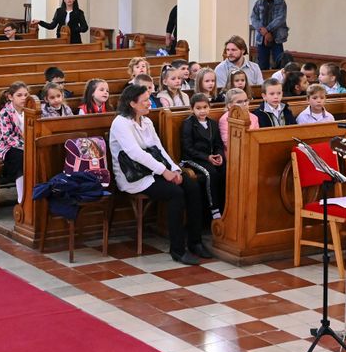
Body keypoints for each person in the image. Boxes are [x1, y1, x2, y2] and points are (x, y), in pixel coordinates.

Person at [109, 84, 209, 265]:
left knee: (192, 185)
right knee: (175, 194)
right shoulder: (120, 123)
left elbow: (159, 149)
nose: (150, 103)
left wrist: (175, 170)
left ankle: (196, 242)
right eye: (145, 100)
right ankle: (178, 250)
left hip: (153, 170)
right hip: (134, 176)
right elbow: (135, 153)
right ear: (132, 103)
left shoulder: (146, 121)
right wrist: (164, 172)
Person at [181, 94, 226, 220]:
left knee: (224, 170)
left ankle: (225, 205)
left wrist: (219, 155)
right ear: (192, 109)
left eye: (205, 107)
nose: (202, 111)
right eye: (198, 108)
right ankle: (214, 208)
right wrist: (207, 158)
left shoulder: (212, 123)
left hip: (210, 157)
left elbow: (218, 144)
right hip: (192, 159)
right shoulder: (188, 124)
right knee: (209, 173)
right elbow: (188, 148)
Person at [0, 82, 30, 200]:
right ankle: (22, 198)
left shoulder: (30, 110)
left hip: (28, 144)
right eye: (19, 95)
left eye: (26, 95)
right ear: (10, 97)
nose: (23, 98)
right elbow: (7, 136)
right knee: (21, 158)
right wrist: (26, 146)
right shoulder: (5, 112)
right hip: (7, 146)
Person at [248, 0, 288, 69]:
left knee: (279, 62)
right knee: (262, 64)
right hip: (262, 38)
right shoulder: (259, 3)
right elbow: (254, 18)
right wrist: (265, 32)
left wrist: (268, 30)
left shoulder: (280, 1)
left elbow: (280, 18)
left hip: (277, 37)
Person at [219, 88, 257, 156]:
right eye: (239, 102)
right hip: (234, 154)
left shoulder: (254, 118)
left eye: (246, 100)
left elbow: (257, 139)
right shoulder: (225, 119)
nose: (244, 104)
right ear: (229, 105)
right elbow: (227, 143)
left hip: (252, 151)